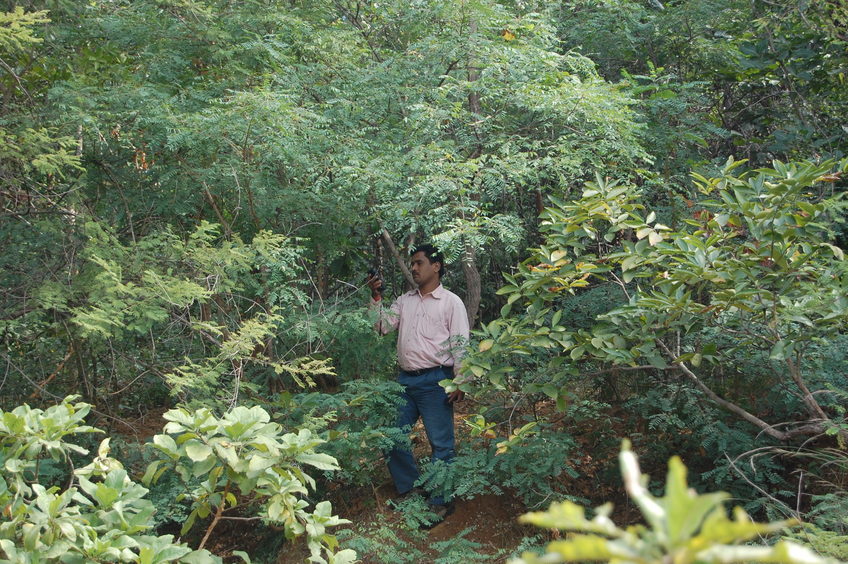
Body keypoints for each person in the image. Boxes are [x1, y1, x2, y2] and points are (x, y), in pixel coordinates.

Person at [366, 243, 469, 525]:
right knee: (392, 437)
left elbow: (461, 344)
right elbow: (381, 327)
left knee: (441, 444)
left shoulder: (451, 302)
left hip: (437, 380)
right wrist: (376, 295)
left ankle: (441, 501)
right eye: (412, 264)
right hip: (405, 381)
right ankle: (411, 490)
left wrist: (460, 380)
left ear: (435, 267)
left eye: (419, 263)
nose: (414, 268)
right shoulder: (405, 301)